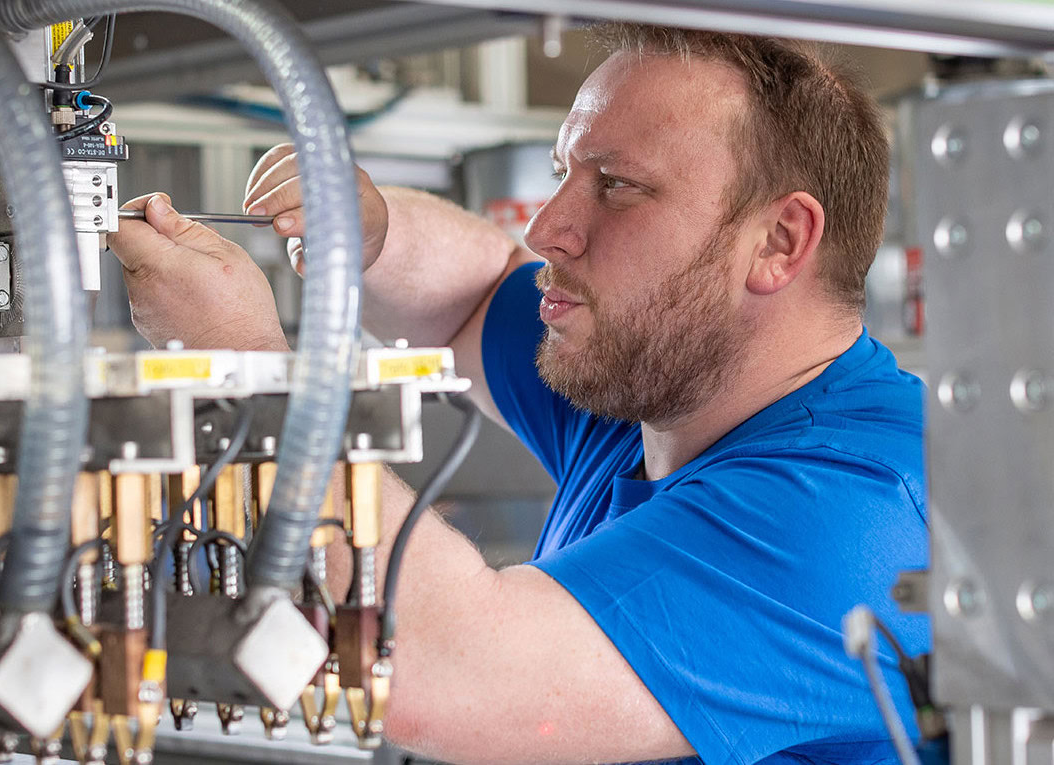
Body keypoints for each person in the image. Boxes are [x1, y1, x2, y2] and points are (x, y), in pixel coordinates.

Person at [108, 23, 928, 765]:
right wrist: (372, 230)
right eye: (562, 172)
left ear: (779, 242)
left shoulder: (843, 507)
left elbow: (452, 674)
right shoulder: (666, 382)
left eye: (616, 186)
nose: (548, 228)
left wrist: (241, 360)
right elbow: (480, 289)